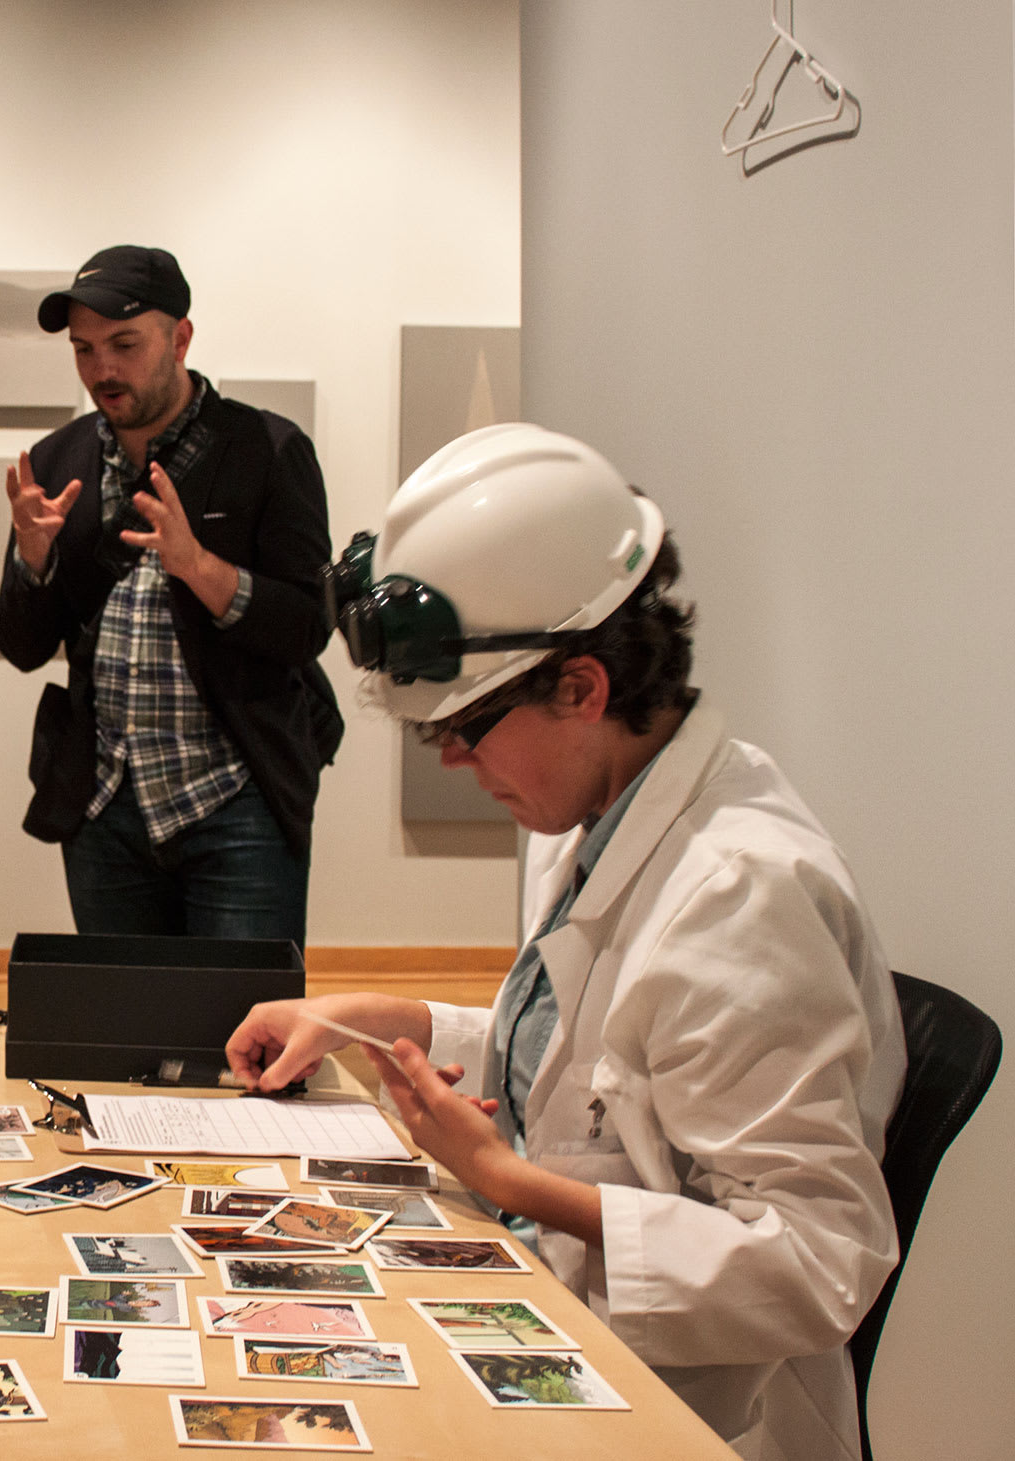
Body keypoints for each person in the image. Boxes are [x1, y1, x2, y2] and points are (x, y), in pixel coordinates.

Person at [226, 423, 907, 1461]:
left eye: (466, 728)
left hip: (697, 1418)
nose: (452, 760)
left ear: (581, 687)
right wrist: (364, 1018)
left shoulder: (741, 892)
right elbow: (593, 1066)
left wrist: (510, 1182)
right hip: (561, 1335)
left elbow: (823, 1267)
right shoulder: (600, 808)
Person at [0, 246, 341, 943]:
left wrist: (199, 567)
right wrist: (33, 563)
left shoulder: (266, 448)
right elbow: (22, 646)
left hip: (235, 796)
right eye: (84, 349)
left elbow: (307, 626)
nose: (102, 370)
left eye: (124, 344)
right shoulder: (59, 461)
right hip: (104, 804)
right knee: (125, 1033)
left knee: (244, 1031)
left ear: (180, 338)